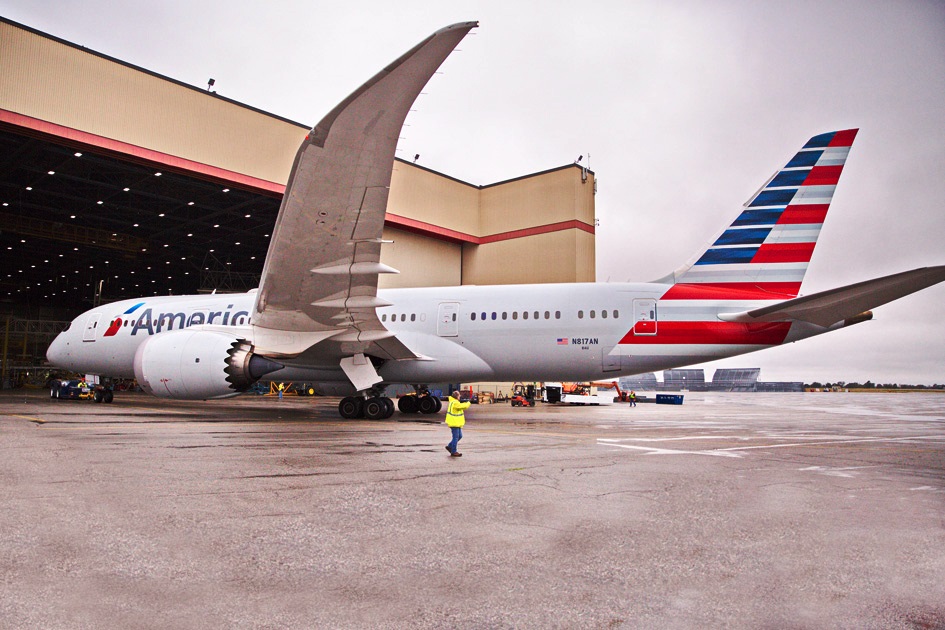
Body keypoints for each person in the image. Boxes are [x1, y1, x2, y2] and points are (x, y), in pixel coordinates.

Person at [445, 391, 471, 457]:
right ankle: (454, 451)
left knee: (459, 436)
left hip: (456, 423)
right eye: (459, 396)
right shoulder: (455, 403)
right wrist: (468, 403)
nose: (460, 397)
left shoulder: (453, 401)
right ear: (456, 396)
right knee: (456, 437)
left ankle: (450, 446)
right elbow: (462, 406)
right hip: (454, 423)